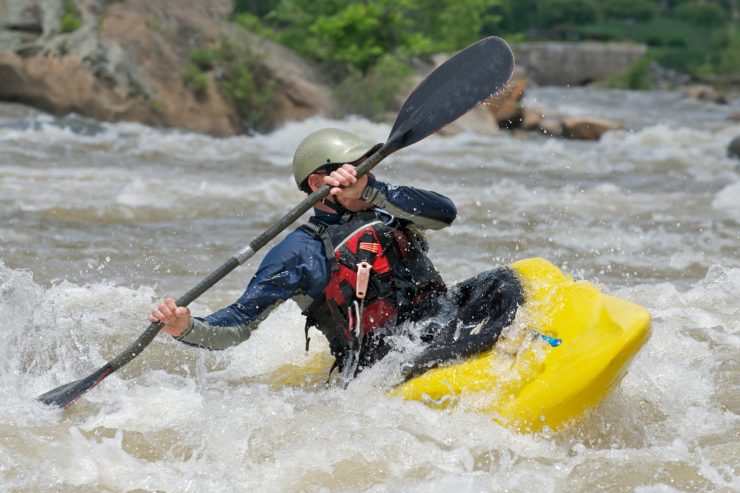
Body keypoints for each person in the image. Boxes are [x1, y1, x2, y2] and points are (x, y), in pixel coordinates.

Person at [149, 128, 523, 381]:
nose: (368, 176)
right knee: (432, 341)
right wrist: (186, 327)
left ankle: (504, 343)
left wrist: (374, 191)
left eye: (368, 168)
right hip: (384, 362)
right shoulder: (299, 252)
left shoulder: (388, 206)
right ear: (318, 182)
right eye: (358, 168)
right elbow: (240, 322)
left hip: (437, 319)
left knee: (504, 280)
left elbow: (446, 214)